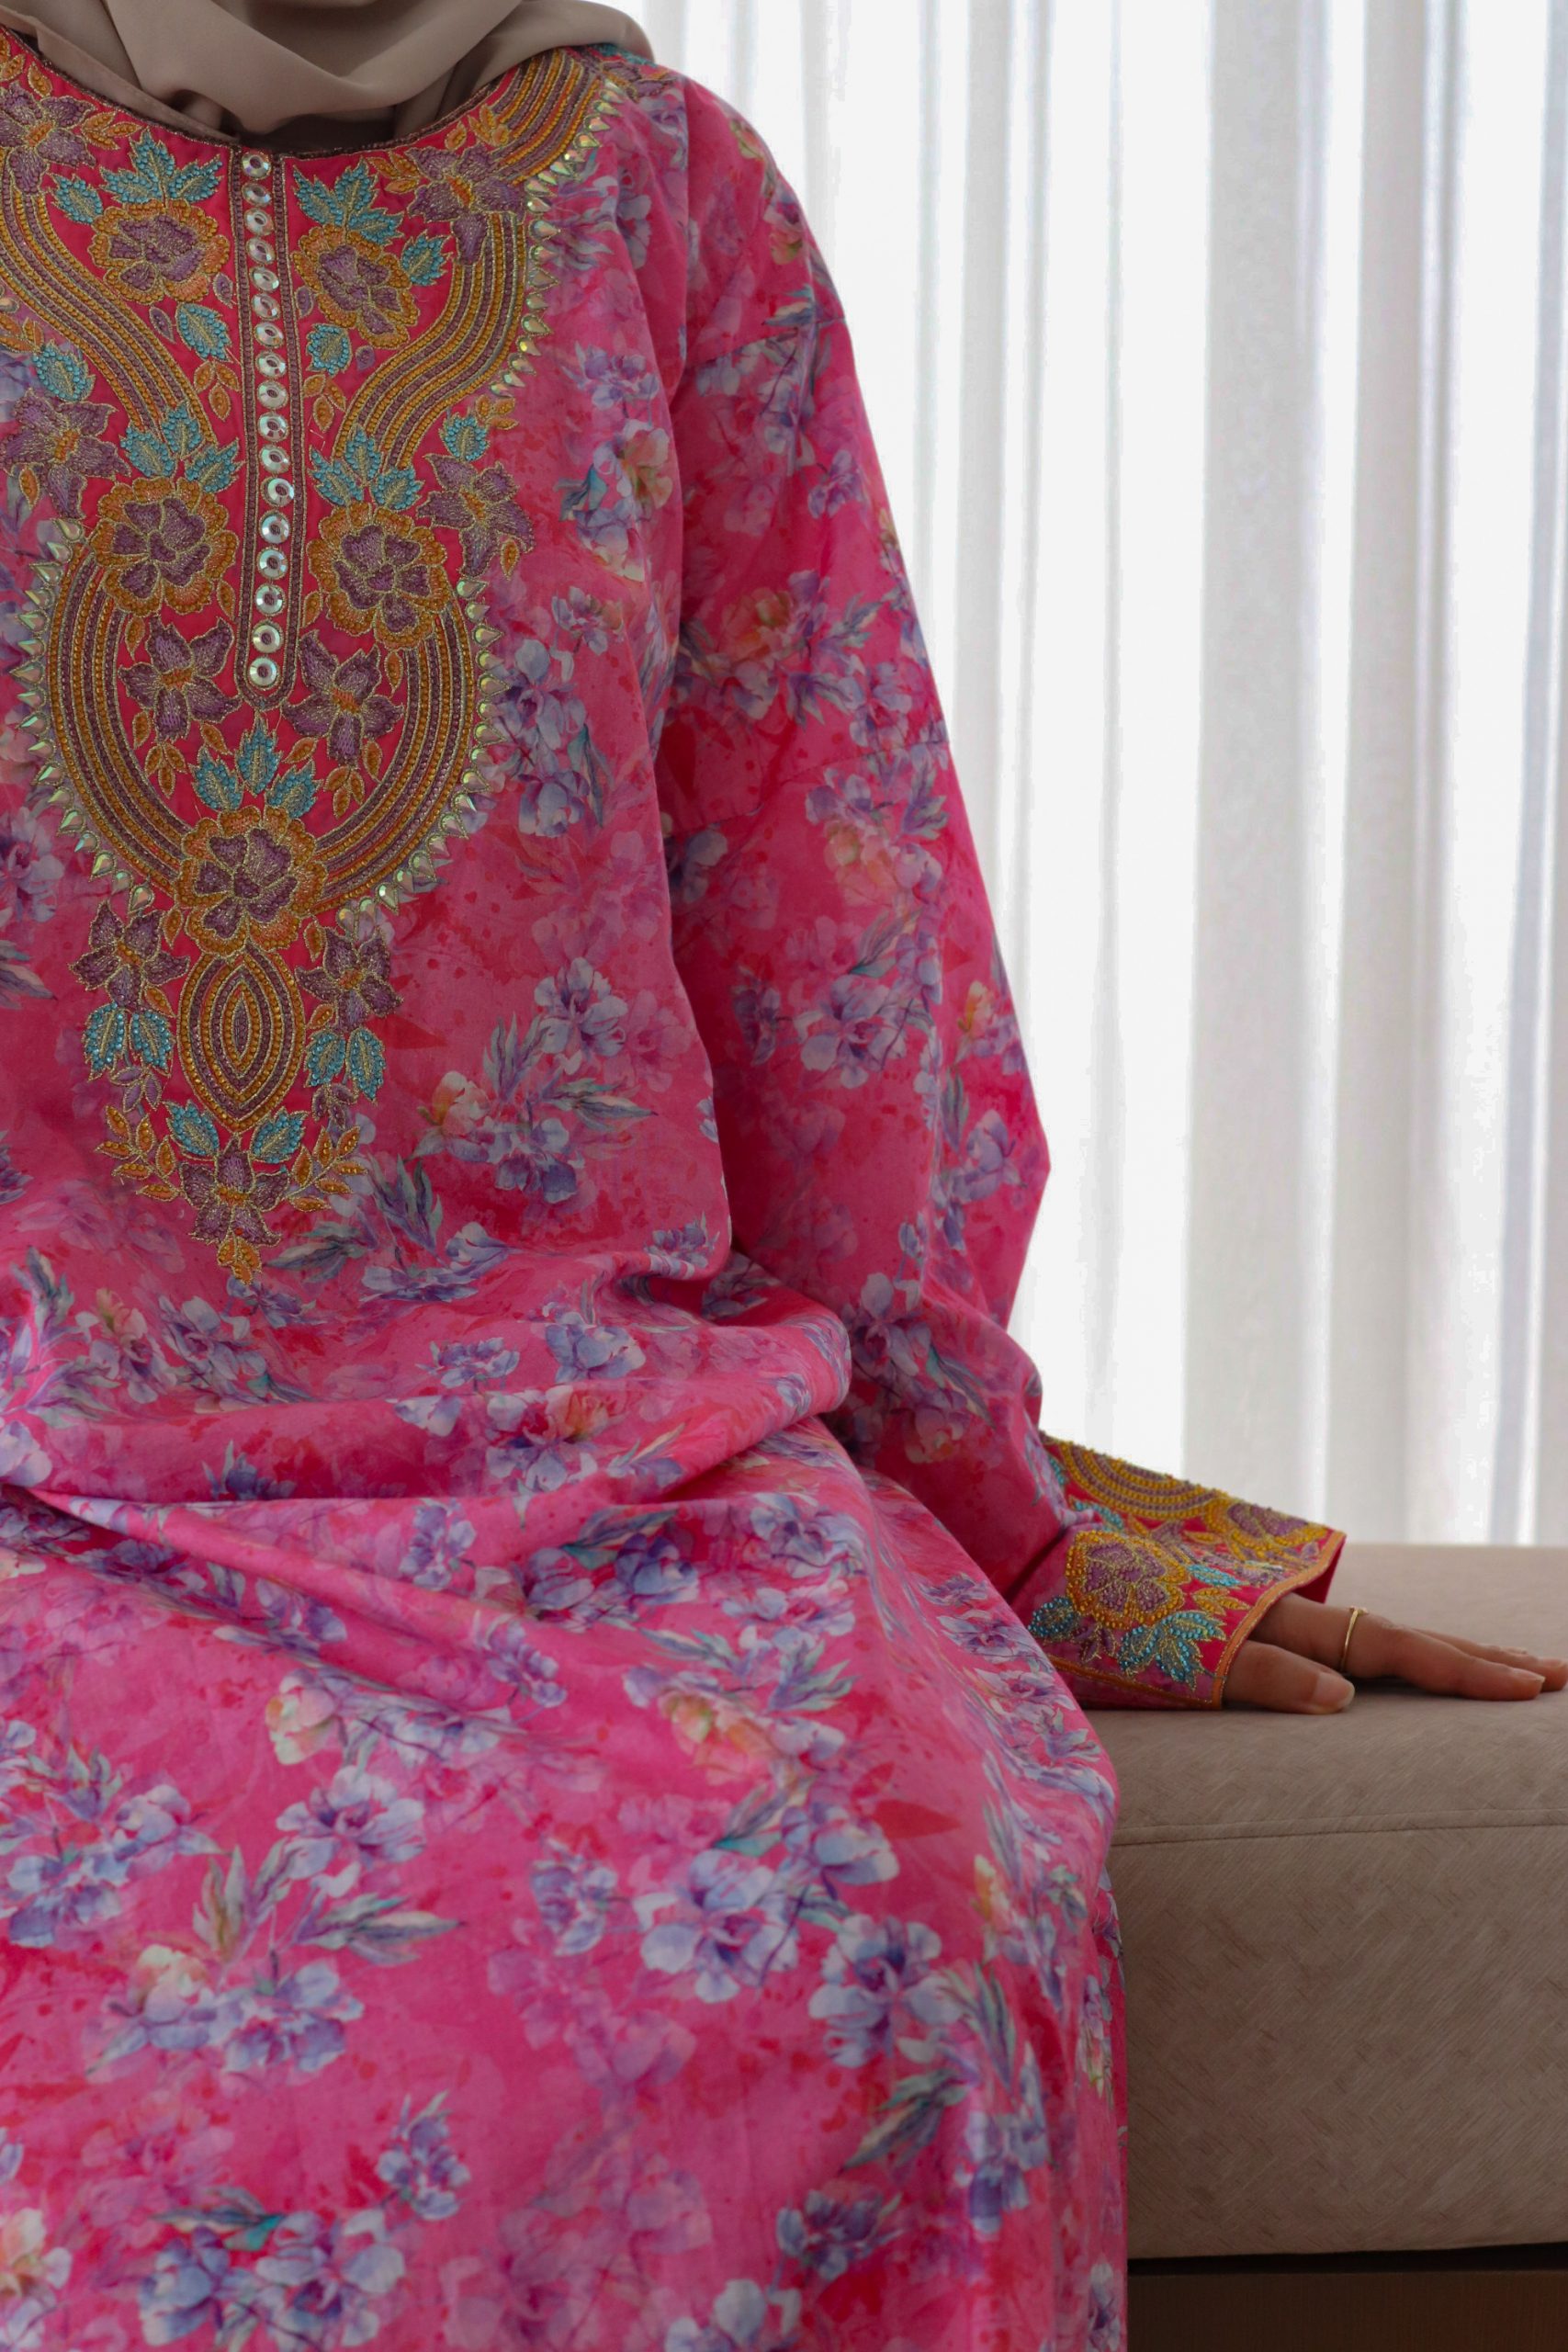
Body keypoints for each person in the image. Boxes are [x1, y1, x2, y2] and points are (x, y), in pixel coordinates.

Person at [0, 4, 1558, 2346]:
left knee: (882, 1917)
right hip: (42, 1478)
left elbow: (823, 903)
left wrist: (998, 1510)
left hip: (600, 1474)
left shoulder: (661, 197)